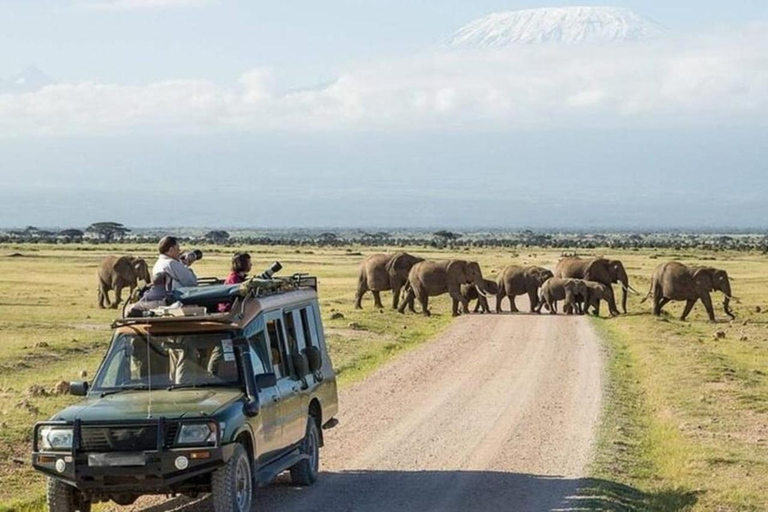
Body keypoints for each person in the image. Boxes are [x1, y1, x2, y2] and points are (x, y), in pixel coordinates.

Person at [129, 236, 198, 314]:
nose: (179, 251)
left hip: (160, 297)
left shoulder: (159, 263)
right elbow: (192, 282)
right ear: (171, 250)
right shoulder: (171, 263)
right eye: (178, 248)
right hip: (173, 299)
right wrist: (186, 267)